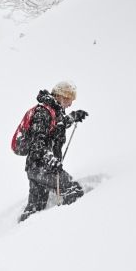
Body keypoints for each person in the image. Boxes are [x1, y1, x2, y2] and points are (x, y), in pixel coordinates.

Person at [18, 81, 89, 223]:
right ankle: (60, 226)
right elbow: (38, 144)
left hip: (37, 168)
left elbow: (59, 125)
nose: (70, 104)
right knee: (73, 190)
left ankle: (22, 235)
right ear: (60, 96)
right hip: (42, 167)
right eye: (69, 99)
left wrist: (73, 116)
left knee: (35, 209)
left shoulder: (55, 110)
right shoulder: (42, 113)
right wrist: (50, 159)